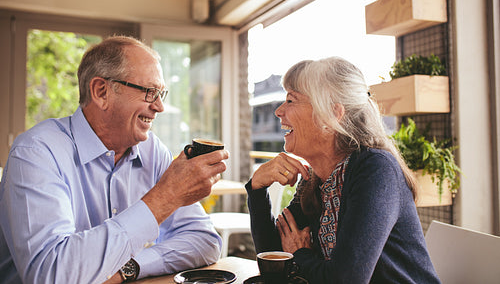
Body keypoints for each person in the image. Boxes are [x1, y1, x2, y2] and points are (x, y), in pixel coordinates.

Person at [0, 36, 229, 284]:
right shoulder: (36, 152)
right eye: (150, 92)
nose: (160, 107)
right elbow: (52, 274)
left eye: (161, 93)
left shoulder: (153, 150)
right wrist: (167, 196)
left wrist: (128, 268)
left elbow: (204, 240)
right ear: (101, 92)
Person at [246, 57, 441, 283]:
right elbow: (275, 262)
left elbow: (346, 280)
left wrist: (300, 254)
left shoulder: (376, 170)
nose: (279, 111)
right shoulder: (317, 179)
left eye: (291, 100)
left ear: (331, 114)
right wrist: (257, 189)